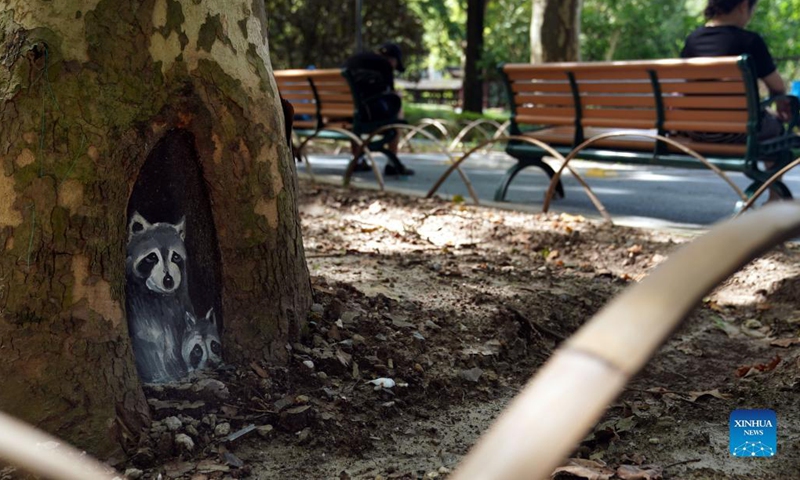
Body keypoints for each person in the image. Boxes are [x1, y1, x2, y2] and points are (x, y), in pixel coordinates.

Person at [681, 0, 791, 200]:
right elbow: (778, 87)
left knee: (765, 122)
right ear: (743, 6)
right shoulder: (750, 41)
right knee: (777, 131)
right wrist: (783, 110)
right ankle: (775, 197)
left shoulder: (692, 40)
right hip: (740, 133)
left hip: (697, 130)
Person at [345, 43, 413, 176]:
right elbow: (389, 93)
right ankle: (392, 163)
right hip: (366, 114)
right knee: (397, 107)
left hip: (343, 114)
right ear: (392, 60)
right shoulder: (385, 64)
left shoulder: (352, 60)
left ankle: (358, 160)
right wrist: (396, 95)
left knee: (355, 115)